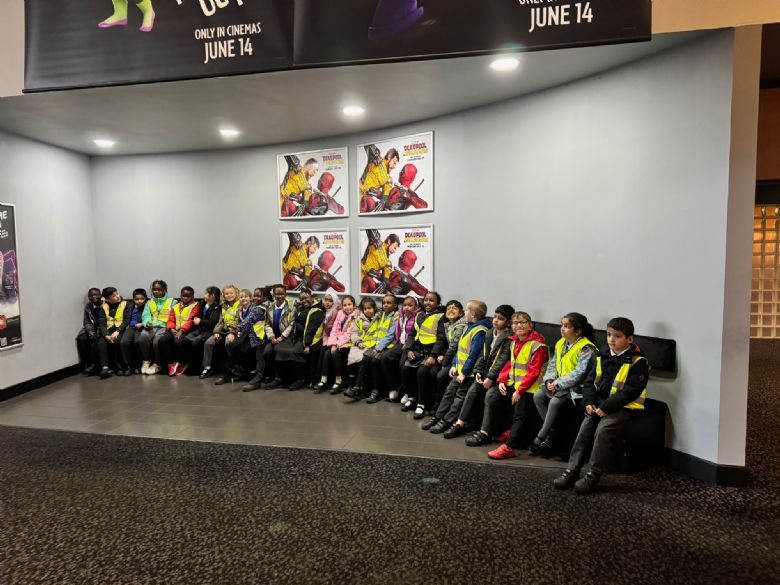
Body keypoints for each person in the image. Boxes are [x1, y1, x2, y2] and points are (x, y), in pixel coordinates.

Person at [554, 317, 648, 494]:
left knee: (603, 431)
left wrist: (605, 408)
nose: (611, 339)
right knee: (584, 430)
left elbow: (629, 392)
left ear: (629, 339)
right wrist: (589, 402)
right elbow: (590, 382)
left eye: (617, 336)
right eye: (609, 335)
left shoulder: (638, 362)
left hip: (624, 407)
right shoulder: (602, 355)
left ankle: (593, 475)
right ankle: (572, 470)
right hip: (599, 405)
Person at [467, 312, 547, 450]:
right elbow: (510, 363)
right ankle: (498, 431)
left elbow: (534, 372)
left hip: (530, 387)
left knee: (519, 411)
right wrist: (502, 380)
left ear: (530, 326)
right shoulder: (514, 341)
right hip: (513, 384)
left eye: (522, 322)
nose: (518, 325)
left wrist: (519, 391)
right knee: (492, 396)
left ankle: (509, 446)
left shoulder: (538, 346)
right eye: (515, 323)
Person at [442, 304, 514, 439]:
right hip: (486, 373)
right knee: (472, 391)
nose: (496, 320)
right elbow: (482, 355)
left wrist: (491, 377)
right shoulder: (489, 333)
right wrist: (478, 371)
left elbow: (502, 360)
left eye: (501, 319)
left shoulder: (509, 338)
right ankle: (460, 424)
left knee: (490, 396)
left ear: (508, 322)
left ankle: (484, 432)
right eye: (495, 317)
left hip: (500, 377)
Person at [530, 312, 597, 455]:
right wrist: (549, 380)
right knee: (538, 396)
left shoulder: (586, 348)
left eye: (567, 326)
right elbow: (553, 365)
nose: (562, 329)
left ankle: (541, 436)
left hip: (576, 388)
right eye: (562, 325)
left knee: (555, 402)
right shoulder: (561, 343)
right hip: (557, 384)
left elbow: (579, 373)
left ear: (577, 331)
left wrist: (558, 384)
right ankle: (552, 431)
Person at [426, 300, 492, 434]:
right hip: (460, 370)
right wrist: (455, 365)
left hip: (468, 373)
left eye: (467, 311)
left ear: (472, 314)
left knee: (459, 397)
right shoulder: (469, 325)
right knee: (449, 392)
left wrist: (464, 372)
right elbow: (460, 349)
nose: (465, 313)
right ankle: (439, 416)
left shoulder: (480, 331)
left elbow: (473, 355)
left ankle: (448, 421)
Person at [415, 299, 466, 419]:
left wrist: (444, 360)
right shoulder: (446, 324)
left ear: (461, 313)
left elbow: (454, 347)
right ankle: (421, 403)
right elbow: (443, 342)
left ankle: (437, 403)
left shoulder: (461, 325)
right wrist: (440, 354)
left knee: (438, 374)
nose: (451, 310)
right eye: (448, 308)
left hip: (454, 359)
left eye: (454, 308)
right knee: (422, 371)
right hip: (443, 355)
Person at [399, 292, 445, 412]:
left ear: (437, 303)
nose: (428, 303)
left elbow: (441, 339)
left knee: (422, 372)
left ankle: (421, 403)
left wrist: (433, 355)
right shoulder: (419, 314)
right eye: (426, 300)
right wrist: (409, 349)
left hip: (430, 353)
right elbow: (412, 334)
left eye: (431, 300)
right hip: (417, 351)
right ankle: (412, 397)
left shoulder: (440, 316)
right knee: (405, 369)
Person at [270, 288, 324, 390]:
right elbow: (280, 299)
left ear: (311, 296)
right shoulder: (300, 307)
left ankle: (300, 379)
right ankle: (280, 378)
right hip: (294, 337)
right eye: (302, 299)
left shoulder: (317, 311)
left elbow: (310, 331)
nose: (304, 301)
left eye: (306, 298)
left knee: (294, 352)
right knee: (278, 348)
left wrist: (307, 344)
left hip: (306, 340)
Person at [227, 293, 269, 392]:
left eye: (259, 296)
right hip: (252, 334)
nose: (256, 298)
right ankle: (234, 371)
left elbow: (249, 320)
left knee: (260, 355)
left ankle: (257, 379)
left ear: (264, 297)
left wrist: (238, 328)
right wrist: (235, 330)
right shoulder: (247, 308)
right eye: (255, 295)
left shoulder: (260, 308)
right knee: (235, 345)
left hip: (261, 336)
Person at [380, 295, 420, 402]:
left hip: (410, 346)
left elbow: (414, 335)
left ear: (416, 307)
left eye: (410, 305)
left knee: (403, 365)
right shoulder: (400, 316)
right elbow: (400, 331)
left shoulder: (418, 317)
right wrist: (396, 340)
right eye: (405, 305)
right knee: (384, 358)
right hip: (399, 344)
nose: (406, 307)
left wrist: (407, 345)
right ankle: (392, 388)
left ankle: (407, 392)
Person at [316, 295, 358, 394]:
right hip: (337, 340)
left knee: (335, 353)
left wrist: (337, 344)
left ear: (354, 305)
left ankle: (339, 380)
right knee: (327, 352)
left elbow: (349, 334)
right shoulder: (339, 313)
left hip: (347, 342)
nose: (347, 307)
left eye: (349, 304)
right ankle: (324, 379)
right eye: (345, 305)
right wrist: (333, 343)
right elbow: (334, 330)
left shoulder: (356, 315)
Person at [361, 294, 399, 404]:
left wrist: (377, 348)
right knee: (366, 358)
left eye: (389, 303)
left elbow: (390, 335)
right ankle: (360, 388)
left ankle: (376, 391)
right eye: (384, 303)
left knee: (375, 361)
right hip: (378, 345)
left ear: (395, 305)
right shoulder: (381, 314)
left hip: (388, 346)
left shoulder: (395, 316)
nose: (385, 305)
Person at [201, 284, 241, 379]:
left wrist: (233, 332)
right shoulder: (223, 306)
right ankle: (207, 367)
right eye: (226, 294)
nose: (229, 295)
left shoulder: (239, 305)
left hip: (233, 331)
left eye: (231, 293)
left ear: (236, 294)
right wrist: (216, 332)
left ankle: (232, 367)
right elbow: (220, 321)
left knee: (229, 342)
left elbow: (239, 321)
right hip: (223, 331)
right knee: (208, 343)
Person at [159, 286, 200, 377]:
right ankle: (171, 365)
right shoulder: (176, 306)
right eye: (183, 295)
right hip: (175, 330)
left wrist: (182, 331)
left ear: (192, 296)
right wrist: (171, 328)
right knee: (163, 340)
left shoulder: (195, 306)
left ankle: (181, 363)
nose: (185, 298)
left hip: (187, 331)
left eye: (188, 296)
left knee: (178, 342)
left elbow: (191, 320)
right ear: (180, 296)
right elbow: (171, 320)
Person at [216, 288, 254, 382]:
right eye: (241, 297)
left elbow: (251, 323)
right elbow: (238, 323)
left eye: (246, 296)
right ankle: (234, 370)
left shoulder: (254, 308)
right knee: (232, 345)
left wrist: (239, 330)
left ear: (250, 298)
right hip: (241, 333)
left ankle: (228, 371)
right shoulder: (240, 309)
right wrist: (235, 331)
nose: (243, 298)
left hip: (253, 334)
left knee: (237, 346)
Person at [344, 298, 379, 400]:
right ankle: (352, 385)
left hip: (371, 345)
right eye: (365, 309)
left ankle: (357, 387)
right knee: (351, 358)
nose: (368, 311)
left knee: (364, 359)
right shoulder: (358, 319)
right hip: (359, 344)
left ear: (374, 308)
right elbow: (353, 332)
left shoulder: (378, 318)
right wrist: (358, 342)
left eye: (370, 308)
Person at [262, 284, 295, 386]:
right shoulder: (270, 307)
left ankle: (278, 378)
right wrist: (271, 337)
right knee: (267, 352)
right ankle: (270, 375)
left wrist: (281, 337)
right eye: (277, 294)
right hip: (273, 338)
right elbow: (267, 324)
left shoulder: (291, 307)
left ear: (285, 294)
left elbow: (291, 324)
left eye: (282, 294)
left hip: (285, 338)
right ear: (274, 294)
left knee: (278, 350)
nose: (280, 296)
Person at [139, 280, 174, 375]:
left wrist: (170, 326)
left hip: (164, 327)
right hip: (151, 327)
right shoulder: (149, 302)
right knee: (143, 337)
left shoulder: (172, 302)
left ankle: (157, 364)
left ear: (164, 290)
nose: (157, 291)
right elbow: (146, 315)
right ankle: (146, 361)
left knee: (156, 341)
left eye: (160, 289)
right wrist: (147, 323)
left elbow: (174, 316)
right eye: (154, 289)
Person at [95, 287, 131, 379]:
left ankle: (121, 366)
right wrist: (106, 335)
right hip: (108, 330)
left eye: (117, 294)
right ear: (107, 299)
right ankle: (105, 368)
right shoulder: (104, 307)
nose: (117, 296)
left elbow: (127, 320)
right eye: (114, 296)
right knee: (101, 342)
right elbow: (102, 323)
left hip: (121, 329)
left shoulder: (125, 304)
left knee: (118, 341)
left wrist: (117, 331)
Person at [187, 286, 221, 374]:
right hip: (200, 329)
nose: (204, 295)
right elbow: (198, 316)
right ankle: (188, 364)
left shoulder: (217, 307)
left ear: (212, 296)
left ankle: (201, 366)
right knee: (185, 340)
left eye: (206, 293)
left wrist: (200, 321)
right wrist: (196, 320)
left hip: (209, 330)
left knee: (196, 342)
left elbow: (213, 322)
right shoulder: (203, 304)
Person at [359, 146, 399, 213]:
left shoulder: (388, 179)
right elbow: (369, 146)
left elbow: (385, 196)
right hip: (358, 193)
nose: (394, 167)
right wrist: (376, 155)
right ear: (389, 157)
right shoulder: (378, 160)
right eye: (394, 162)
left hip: (365, 200)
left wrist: (383, 202)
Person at [119, 288, 148, 375]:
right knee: (123, 342)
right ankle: (128, 365)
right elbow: (126, 318)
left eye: (142, 299)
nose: (139, 301)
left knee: (137, 342)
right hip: (131, 328)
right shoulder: (130, 306)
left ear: (145, 298)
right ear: (133, 299)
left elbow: (150, 318)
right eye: (137, 299)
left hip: (141, 328)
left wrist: (142, 323)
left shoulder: (147, 306)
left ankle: (138, 365)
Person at [76, 288, 102, 376]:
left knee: (96, 338)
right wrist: (90, 330)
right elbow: (86, 321)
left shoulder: (105, 305)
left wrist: (97, 331)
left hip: (102, 329)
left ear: (100, 295)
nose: (92, 297)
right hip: (92, 329)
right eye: (90, 296)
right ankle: (88, 364)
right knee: (81, 338)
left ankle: (96, 365)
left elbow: (105, 322)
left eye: (95, 294)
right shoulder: (88, 306)